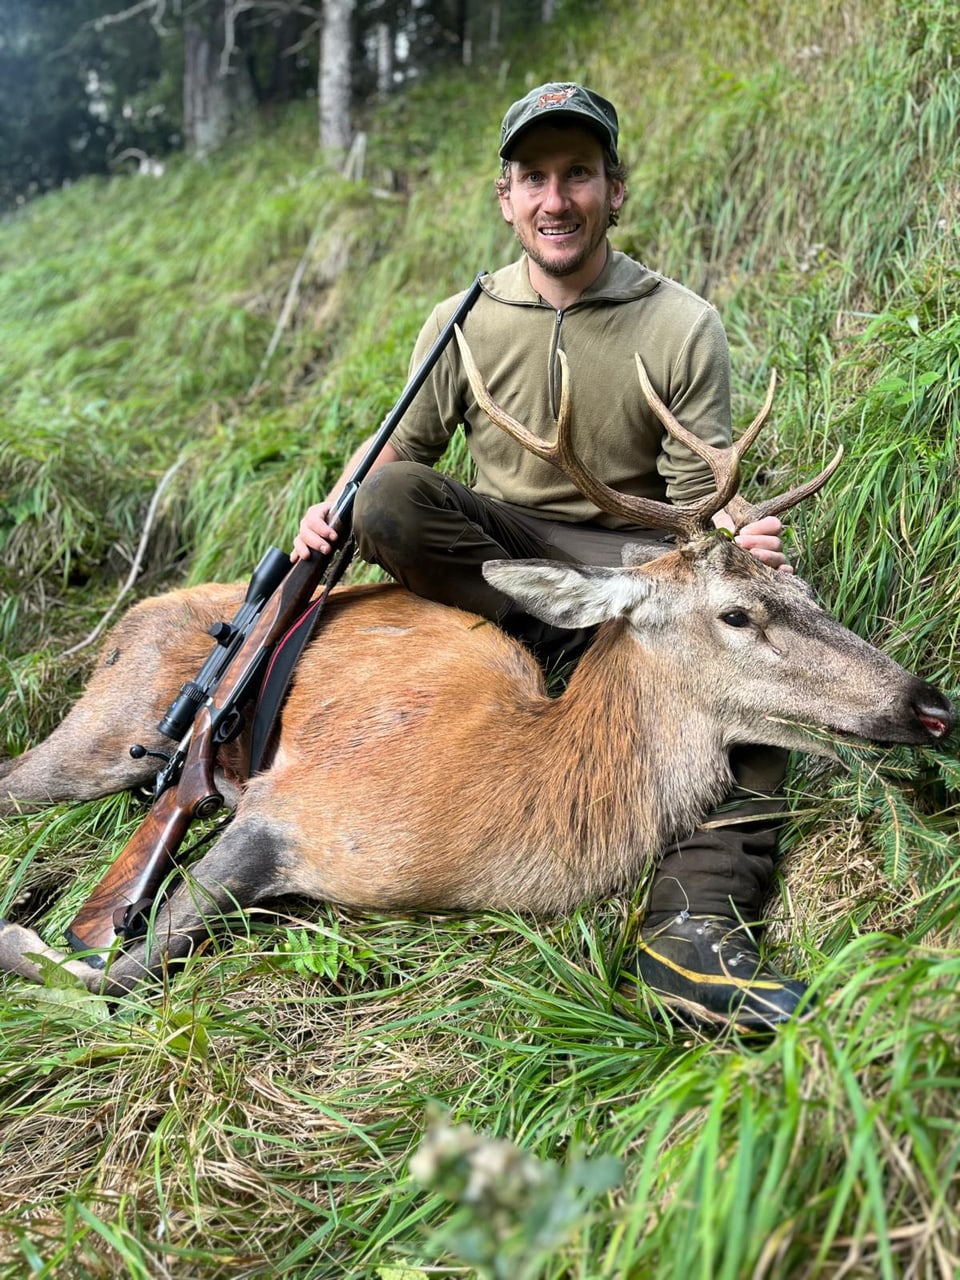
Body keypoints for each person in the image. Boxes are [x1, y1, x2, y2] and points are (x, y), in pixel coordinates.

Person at [293, 81, 808, 1033]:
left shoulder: (678, 321)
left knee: (750, 670)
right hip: (505, 548)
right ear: (506, 197)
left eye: (578, 175)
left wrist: (739, 537)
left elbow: (703, 504)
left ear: (617, 190)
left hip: (637, 553)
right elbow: (403, 453)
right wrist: (332, 506)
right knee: (387, 499)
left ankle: (692, 935)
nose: (555, 200)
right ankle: (564, 642)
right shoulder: (463, 318)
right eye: (535, 177)